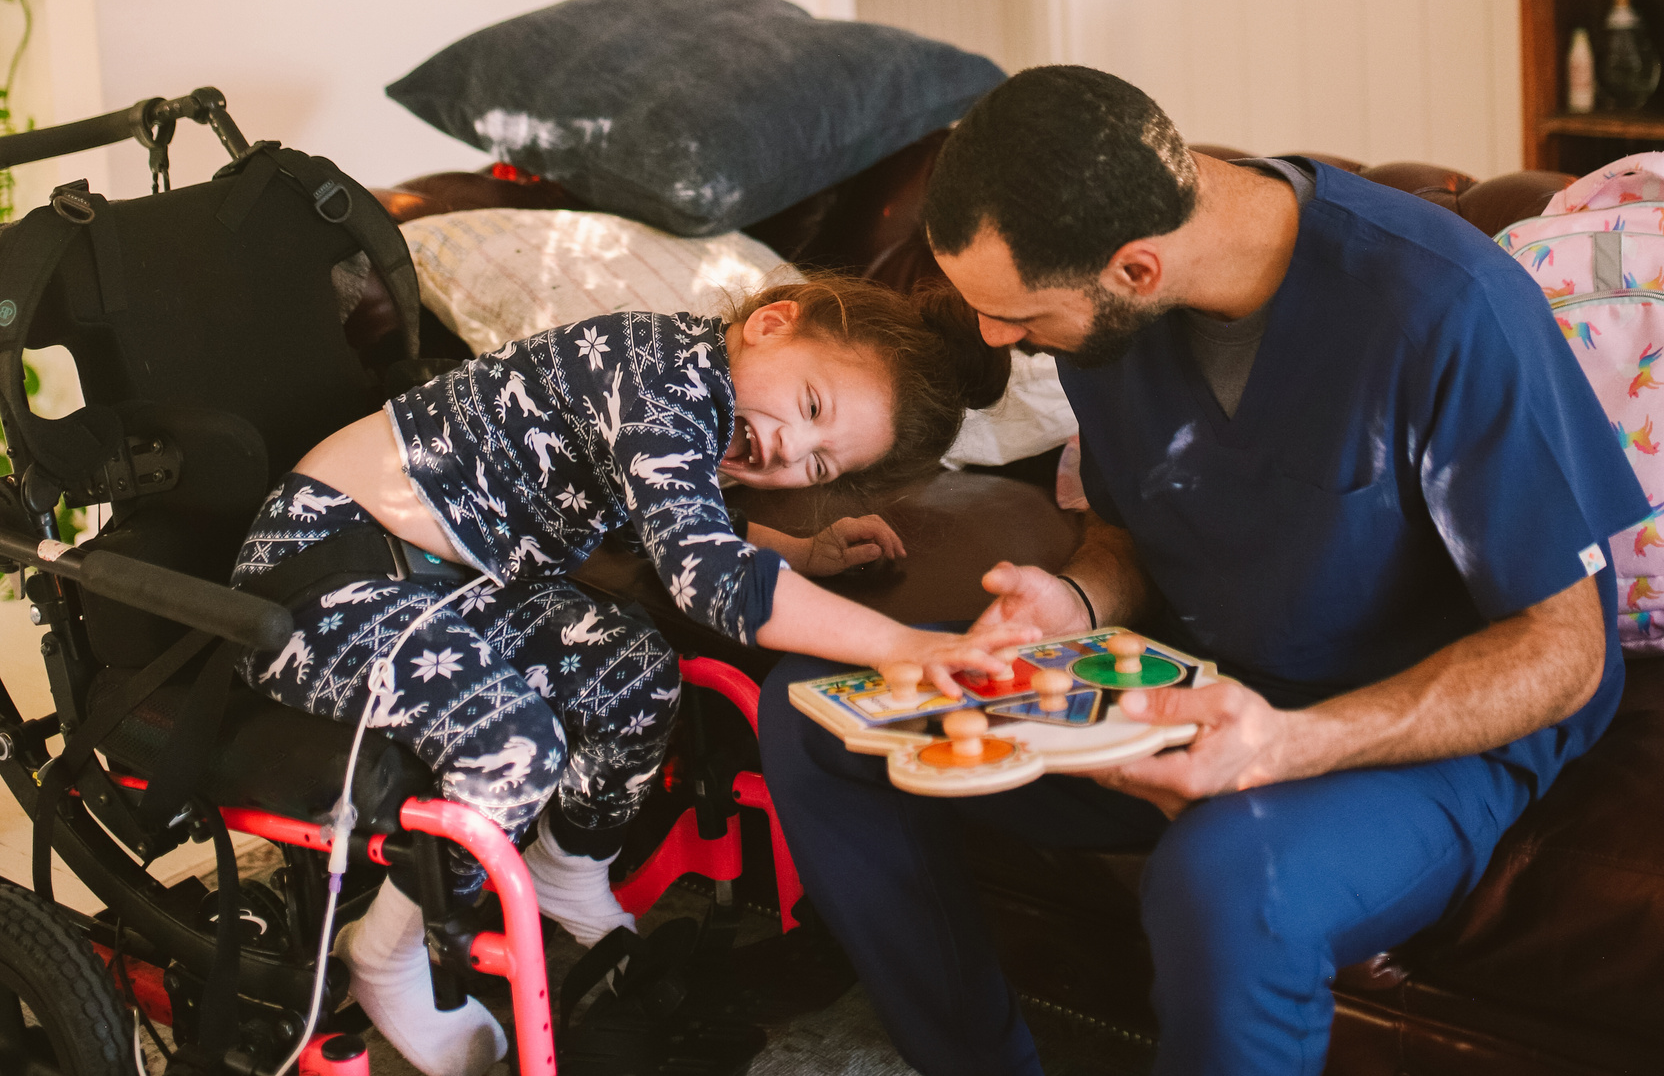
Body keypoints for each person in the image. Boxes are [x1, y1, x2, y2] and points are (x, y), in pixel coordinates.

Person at [759, 65, 1650, 1076]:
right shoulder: (1112, 311)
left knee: (1224, 877)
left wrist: (1288, 745)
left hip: (1417, 731)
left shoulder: (1444, 307)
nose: (997, 340)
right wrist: (1075, 597)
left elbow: (1563, 651)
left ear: (1135, 269)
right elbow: (1133, 524)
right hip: (1198, 679)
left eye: (1017, 316)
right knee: (815, 709)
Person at [230, 278, 1027, 1076]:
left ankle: (568, 866)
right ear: (772, 324)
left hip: (456, 581)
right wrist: (898, 644)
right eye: (812, 405)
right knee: (514, 744)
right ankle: (390, 952)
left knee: (637, 671)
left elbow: (672, 516)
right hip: (324, 571)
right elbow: (705, 570)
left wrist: (799, 549)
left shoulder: (702, 395)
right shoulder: (655, 370)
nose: (791, 449)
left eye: (820, 461)